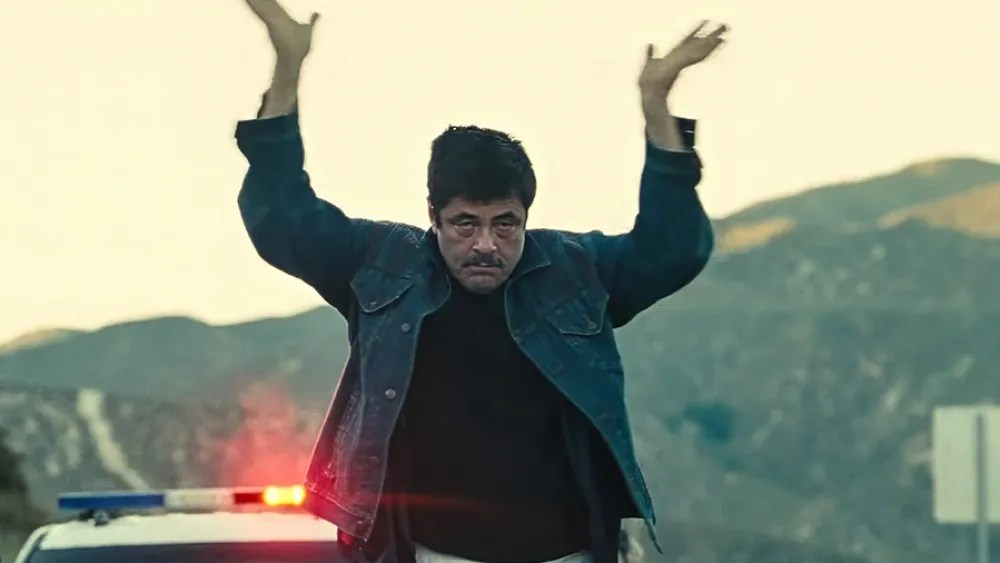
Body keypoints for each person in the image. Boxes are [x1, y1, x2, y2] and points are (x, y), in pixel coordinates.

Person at [234, 1, 725, 562]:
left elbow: (673, 250)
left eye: (505, 224)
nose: (486, 244)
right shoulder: (382, 264)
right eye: (466, 224)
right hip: (432, 553)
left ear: (526, 217)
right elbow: (281, 219)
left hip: (565, 554)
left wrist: (656, 106)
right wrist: (288, 67)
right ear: (435, 216)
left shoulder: (575, 270)